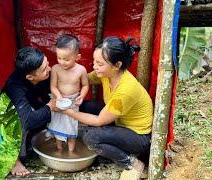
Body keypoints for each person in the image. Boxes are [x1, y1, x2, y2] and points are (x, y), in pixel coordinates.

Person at [62, 36, 153, 180]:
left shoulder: (126, 90)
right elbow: (84, 79)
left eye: (99, 63)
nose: (94, 66)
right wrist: (62, 81)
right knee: (84, 106)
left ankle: (133, 163)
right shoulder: (106, 74)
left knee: (91, 138)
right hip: (120, 121)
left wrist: (67, 111)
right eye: (94, 61)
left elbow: (99, 121)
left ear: (117, 65)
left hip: (138, 136)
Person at [3, 47, 57, 176]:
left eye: (47, 64)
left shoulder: (44, 76)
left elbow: (46, 97)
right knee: (19, 122)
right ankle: (13, 160)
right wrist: (50, 107)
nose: (49, 69)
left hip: (31, 107)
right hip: (9, 120)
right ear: (30, 77)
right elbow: (28, 121)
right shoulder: (14, 88)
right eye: (44, 69)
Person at [46, 34, 88, 153]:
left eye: (66, 59)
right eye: (59, 58)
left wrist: (82, 96)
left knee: (71, 127)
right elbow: (53, 86)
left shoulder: (81, 70)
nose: (62, 62)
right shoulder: (55, 68)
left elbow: (85, 85)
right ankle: (59, 149)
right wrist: (59, 97)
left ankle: (71, 151)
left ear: (77, 57)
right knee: (57, 126)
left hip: (73, 102)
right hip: (58, 101)